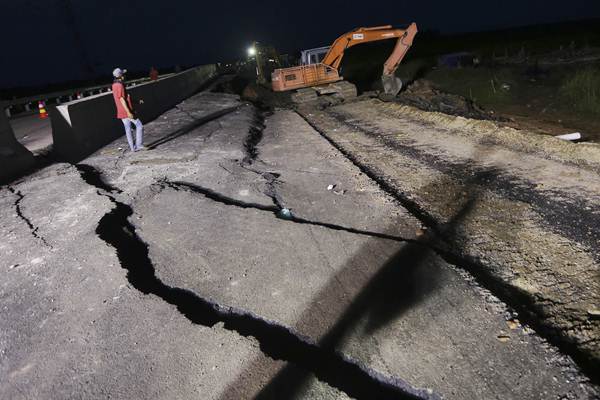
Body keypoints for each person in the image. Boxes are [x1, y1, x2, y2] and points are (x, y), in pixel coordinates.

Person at [111, 67, 145, 152]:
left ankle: (132, 148)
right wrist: (128, 112)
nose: (124, 76)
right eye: (123, 74)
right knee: (139, 125)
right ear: (120, 76)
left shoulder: (114, 85)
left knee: (128, 129)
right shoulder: (120, 85)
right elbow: (122, 99)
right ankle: (139, 145)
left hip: (121, 111)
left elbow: (125, 98)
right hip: (126, 111)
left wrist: (136, 101)